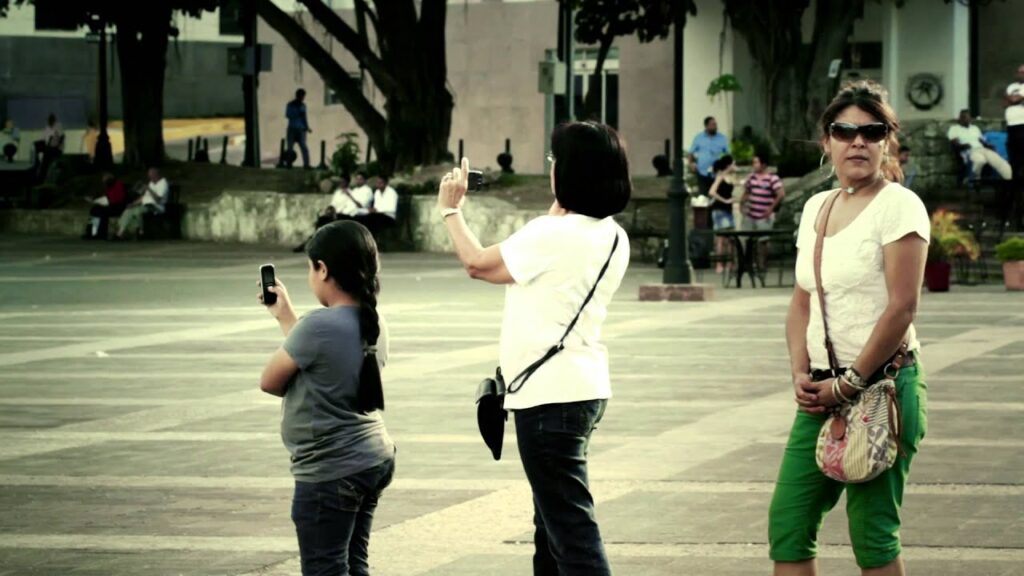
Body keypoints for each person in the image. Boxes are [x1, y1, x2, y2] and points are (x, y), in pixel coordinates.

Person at [437, 121, 631, 576]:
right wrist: (561, 198)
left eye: (554, 162)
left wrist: (451, 211)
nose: (550, 169)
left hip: (548, 400)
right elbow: (559, 230)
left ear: (571, 171)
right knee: (551, 527)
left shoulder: (548, 234)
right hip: (583, 390)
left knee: (570, 532)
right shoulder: (612, 235)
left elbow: (478, 265)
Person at [769, 80, 929, 576]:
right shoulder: (818, 207)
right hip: (822, 390)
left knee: (872, 532)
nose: (857, 141)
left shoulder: (898, 205)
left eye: (871, 131)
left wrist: (850, 382)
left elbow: (902, 307)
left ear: (887, 142)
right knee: (789, 524)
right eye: (845, 131)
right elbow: (801, 301)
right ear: (827, 142)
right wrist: (801, 371)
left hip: (882, 386)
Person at [258, 220, 395, 576]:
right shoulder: (373, 322)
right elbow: (324, 363)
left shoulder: (317, 326)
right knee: (353, 563)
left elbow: (270, 381)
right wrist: (286, 316)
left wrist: (295, 323)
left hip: (331, 471)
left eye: (310, 267)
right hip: (371, 457)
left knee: (326, 568)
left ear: (323, 269)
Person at [293, 173, 374, 253]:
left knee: (328, 225)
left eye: (343, 181)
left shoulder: (352, 192)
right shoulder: (339, 192)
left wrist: (348, 196)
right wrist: (330, 209)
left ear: (347, 182)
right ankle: (309, 243)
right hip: (337, 214)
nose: (341, 183)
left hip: (347, 215)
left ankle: (312, 245)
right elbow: (333, 204)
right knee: (322, 221)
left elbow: (353, 206)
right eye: (340, 181)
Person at [947, 108, 1012, 181]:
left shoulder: (974, 128)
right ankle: (973, 179)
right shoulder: (954, 129)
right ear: (960, 118)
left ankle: (1010, 179)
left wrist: (988, 145)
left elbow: (981, 140)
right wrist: (964, 145)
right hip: (969, 150)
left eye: (969, 118)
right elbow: (955, 143)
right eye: (965, 118)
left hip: (981, 149)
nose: (968, 120)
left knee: (998, 161)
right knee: (980, 160)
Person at [115, 167, 169, 239]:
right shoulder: (151, 183)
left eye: (151, 175)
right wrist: (133, 204)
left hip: (156, 207)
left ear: (156, 175)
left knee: (136, 211)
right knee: (128, 210)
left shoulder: (163, 183)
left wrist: (149, 189)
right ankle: (121, 232)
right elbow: (144, 197)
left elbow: (158, 199)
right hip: (145, 205)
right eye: (149, 175)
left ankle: (139, 232)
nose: (149, 177)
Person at [708, 155, 738, 273]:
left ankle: (730, 263)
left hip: (728, 210)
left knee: (730, 239)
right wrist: (724, 200)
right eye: (733, 164)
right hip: (719, 209)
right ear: (728, 165)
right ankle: (719, 264)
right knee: (720, 238)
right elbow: (712, 192)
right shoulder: (720, 177)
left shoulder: (730, 177)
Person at [688, 116, 730, 196]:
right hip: (702, 173)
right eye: (712, 125)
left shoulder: (722, 138)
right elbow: (691, 153)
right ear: (706, 126)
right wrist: (691, 164)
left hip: (717, 173)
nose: (715, 127)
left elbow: (728, 154)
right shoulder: (699, 138)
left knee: (716, 195)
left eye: (715, 124)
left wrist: (726, 167)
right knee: (703, 197)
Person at [83, 173, 127, 240]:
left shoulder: (118, 184)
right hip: (110, 205)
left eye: (104, 179)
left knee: (102, 213)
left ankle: (101, 234)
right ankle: (92, 232)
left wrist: (107, 200)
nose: (103, 182)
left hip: (118, 206)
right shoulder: (109, 185)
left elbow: (117, 198)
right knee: (94, 210)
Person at [1005, 64, 1024, 190]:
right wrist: (1015, 99)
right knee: (1014, 157)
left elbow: (1014, 99)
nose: (1020, 74)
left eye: (1022, 72)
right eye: (1019, 72)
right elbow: (1005, 101)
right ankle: (1015, 185)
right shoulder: (1011, 86)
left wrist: (1013, 99)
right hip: (1011, 126)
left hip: (1022, 125)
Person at [286, 88, 312, 169]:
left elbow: (304, 117)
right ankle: (289, 163)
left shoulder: (303, 105)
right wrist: (297, 113)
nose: (302, 98)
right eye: (301, 96)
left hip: (301, 129)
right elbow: (288, 115)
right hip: (292, 128)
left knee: (304, 147)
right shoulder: (290, 105)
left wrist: (307, 127)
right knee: (290, 147)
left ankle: (306, 164)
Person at [39, 113, 64, 180]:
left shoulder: (58, 126)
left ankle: (43, 175)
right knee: (45, 158)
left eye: (52, 121)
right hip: (50, 148)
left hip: (56, 148)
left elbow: (62, 137)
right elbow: (44, 139)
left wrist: (58, 145)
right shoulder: (47, 128)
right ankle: (42, 176)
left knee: (46, 157)